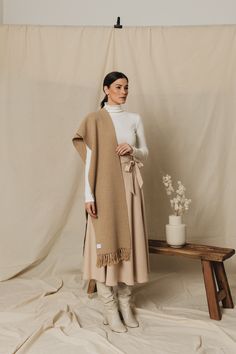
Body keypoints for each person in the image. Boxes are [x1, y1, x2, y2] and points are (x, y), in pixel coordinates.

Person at [72, 71, 150, 333]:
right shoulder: (94, 120)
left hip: (129, 188)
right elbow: (90, 162)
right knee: (104, 246)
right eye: (118, 87)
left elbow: (145, 152)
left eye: (127, 87)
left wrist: (133, 149)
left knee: (129, 243)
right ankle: (109, 307)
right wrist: (88, 195)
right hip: (103, 188)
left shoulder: (134, 119)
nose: (124, 91)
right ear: (106, 89)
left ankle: (126, 304)